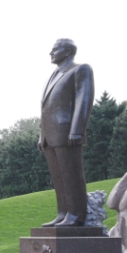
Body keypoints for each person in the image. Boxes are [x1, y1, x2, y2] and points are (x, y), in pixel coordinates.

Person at [38, 38, 95, 227]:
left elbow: (84, 100)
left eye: (55, 49)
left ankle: (76, 215)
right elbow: (46, 108)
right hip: (50, 136)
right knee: (59, 178)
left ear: (68, 51)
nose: (51, 53)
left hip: (67, 132)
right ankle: (63, 212)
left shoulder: (80, 69)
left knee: (72, 177)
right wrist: (42, 135)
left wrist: (77, 130)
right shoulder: (54, 75)